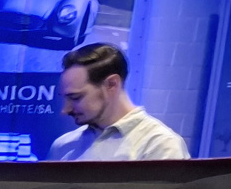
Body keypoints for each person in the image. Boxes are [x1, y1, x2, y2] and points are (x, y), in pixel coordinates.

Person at [49, 43, 190, 161]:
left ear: (112, 84)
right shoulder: (63, 146)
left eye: (75, 97)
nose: (65, 110)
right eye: (65, 98)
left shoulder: (160, 145)